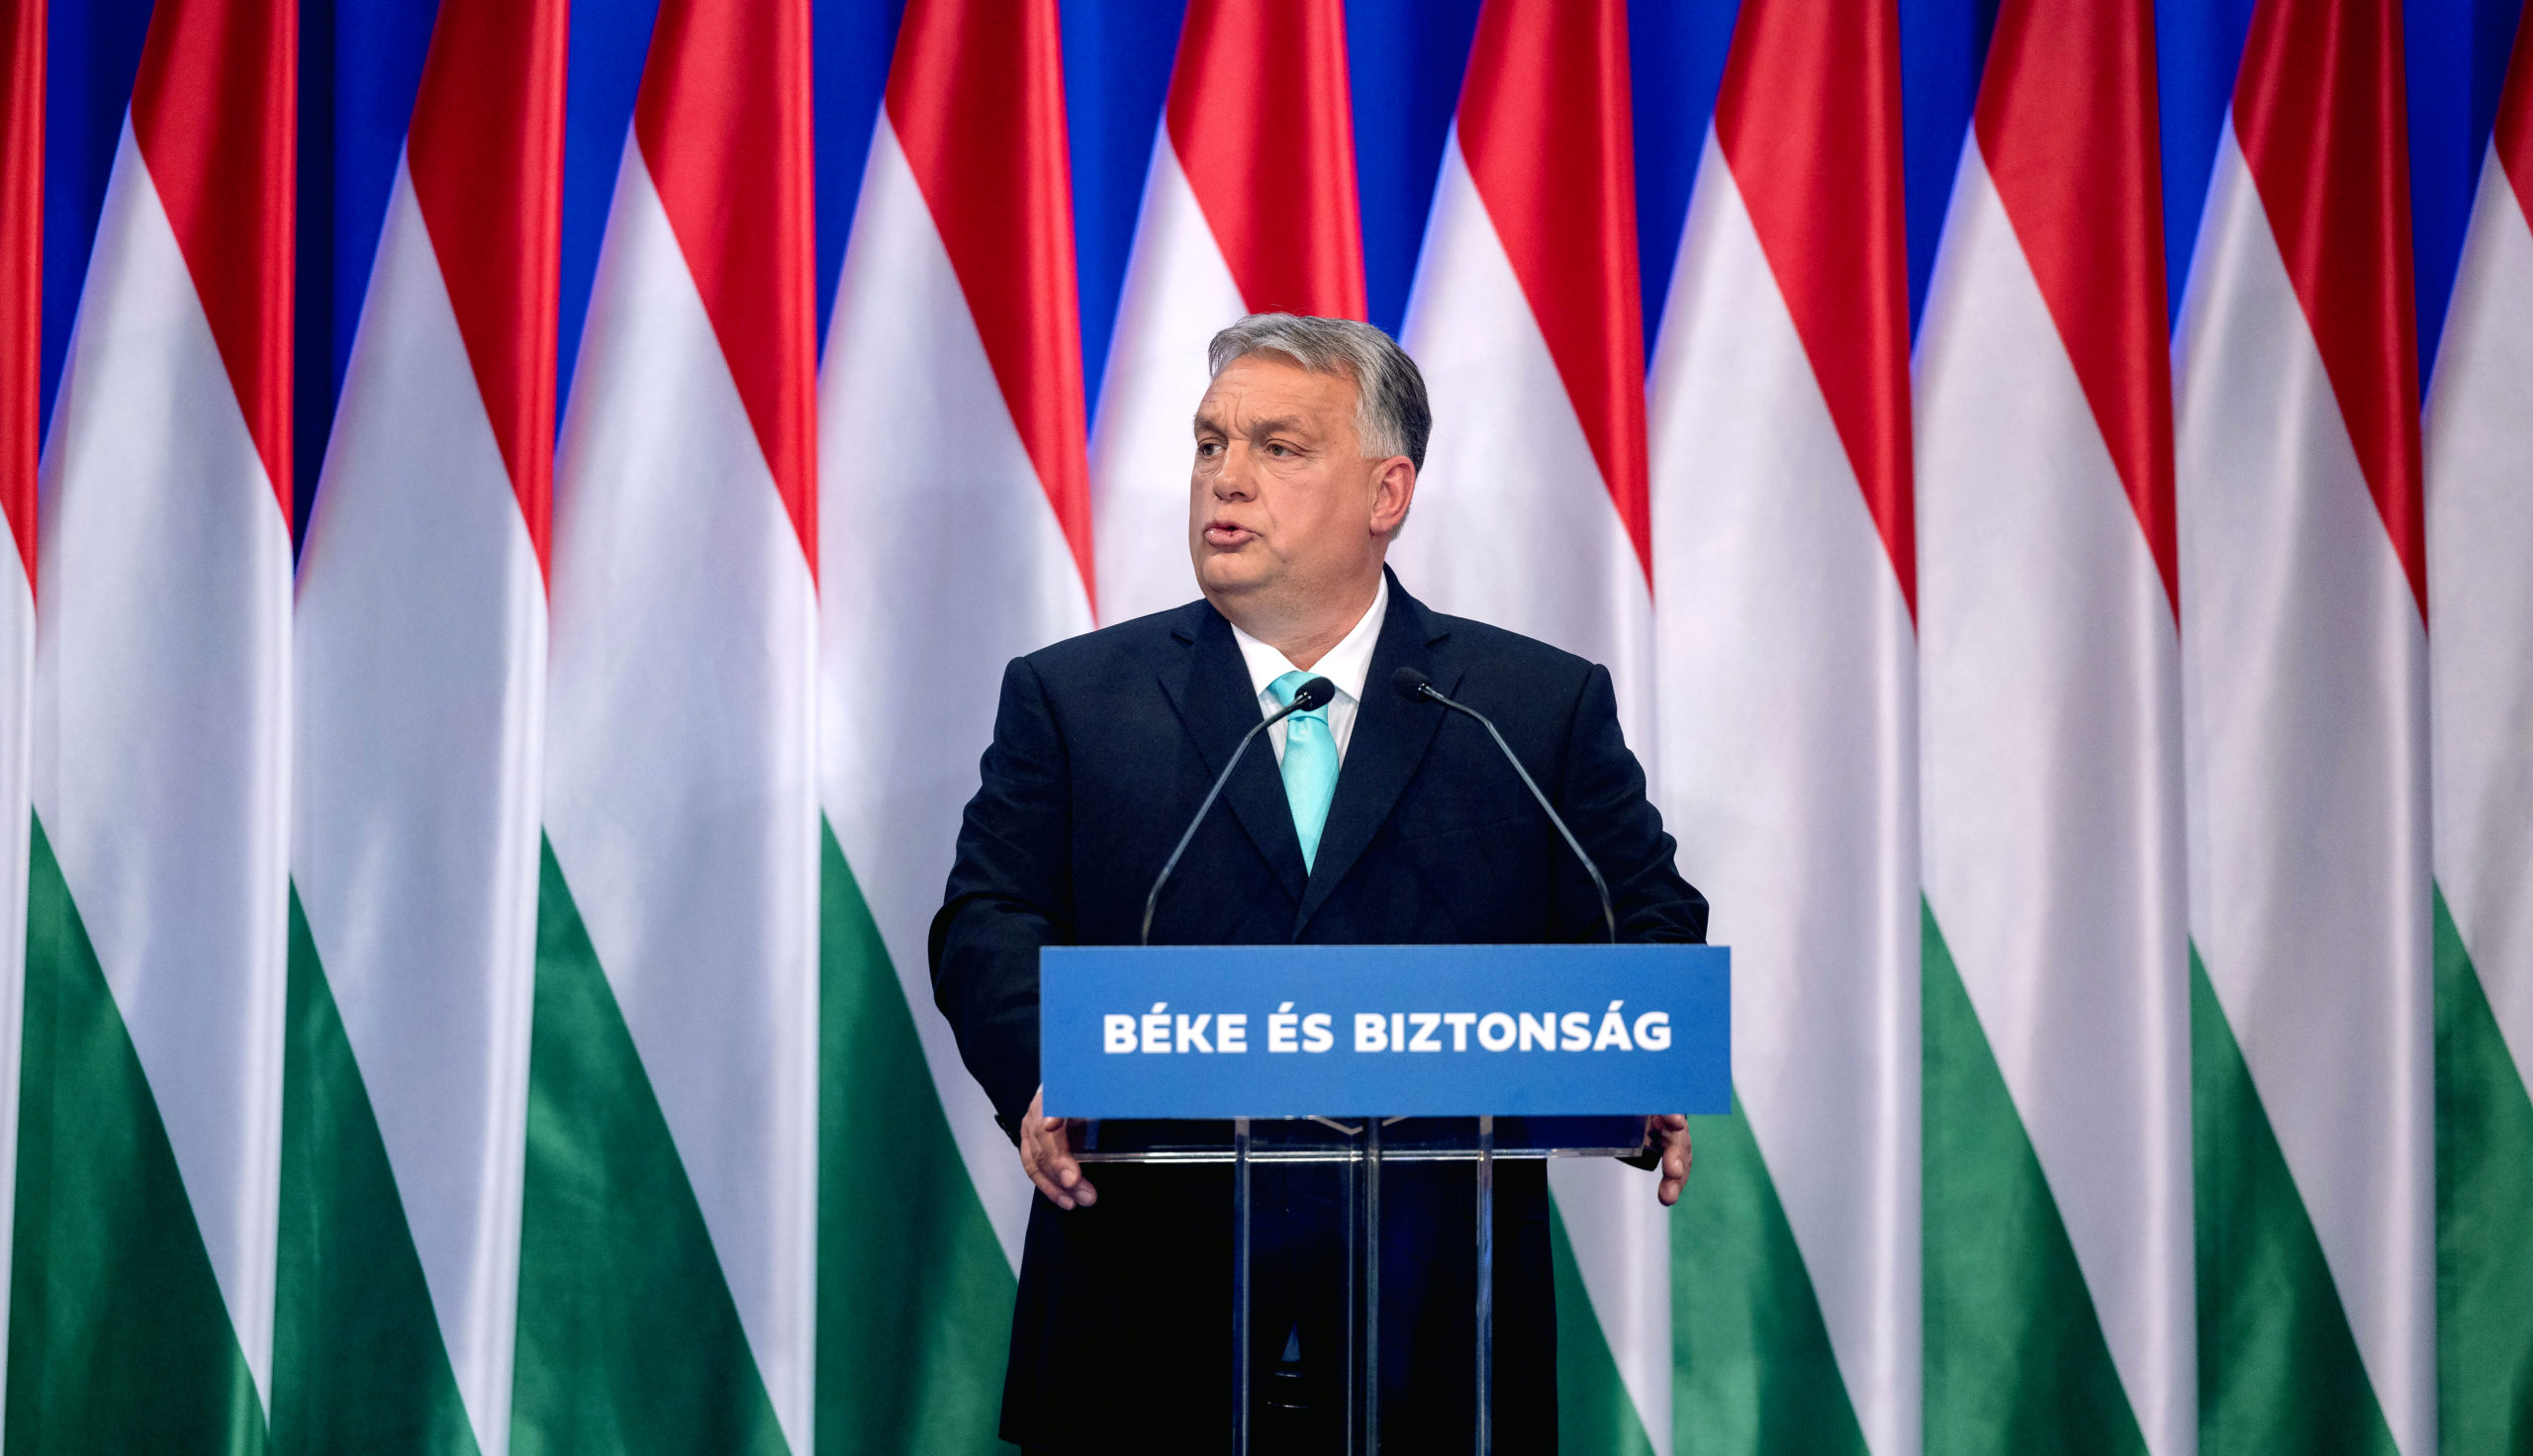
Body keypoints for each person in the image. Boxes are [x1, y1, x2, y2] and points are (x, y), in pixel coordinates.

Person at [930, 314, 1706, 1452]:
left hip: (1435, 1332)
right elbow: (986, 919)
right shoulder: (1076, 699)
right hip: (1145, 1316)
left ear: (1387, 492)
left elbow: (1647, 918)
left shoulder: (1526, 707)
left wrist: (1641, 1062)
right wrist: (1044, 1068)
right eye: (1209, 443)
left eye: (1278, 447)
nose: (1226, 476)